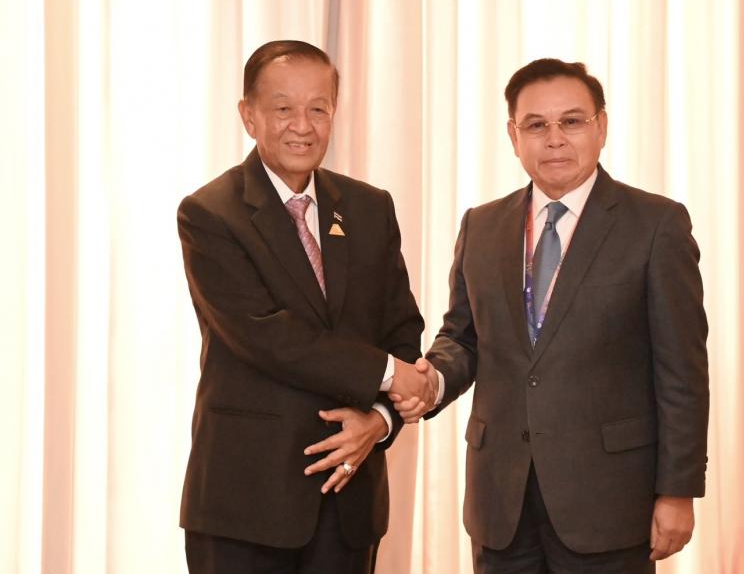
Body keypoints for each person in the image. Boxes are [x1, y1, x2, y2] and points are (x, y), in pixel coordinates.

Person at [393, 58, 709, 573]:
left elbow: (682, 371)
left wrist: (678, 490)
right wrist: (433, 380)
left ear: (601, 127)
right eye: (536, 125)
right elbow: (463, 338)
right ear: (513, 136)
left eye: (572, 121)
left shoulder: (655, 225)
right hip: (501, 501)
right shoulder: (481, 226)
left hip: (609, 501)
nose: (555, 139)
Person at [177, 40, 437, 574]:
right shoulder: (210, 214)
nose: (303, 126)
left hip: (349, 502)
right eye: (283, 108)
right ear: (248, 115)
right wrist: (391, 375)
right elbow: (266, 336)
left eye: (318, 108)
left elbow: (402, 329)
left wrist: (381, 420)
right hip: (245, 505)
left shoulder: (369, 207)